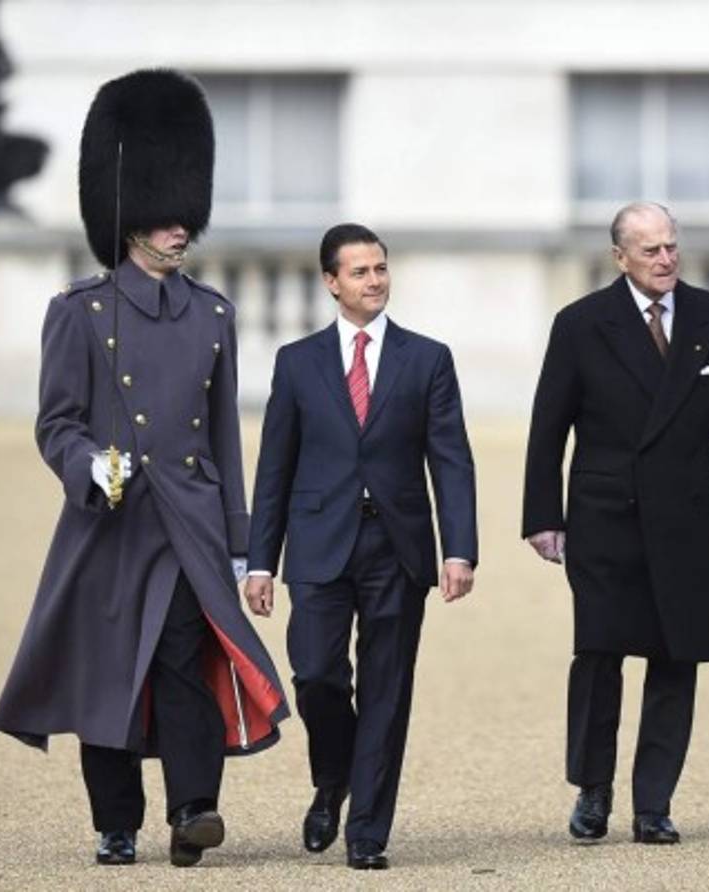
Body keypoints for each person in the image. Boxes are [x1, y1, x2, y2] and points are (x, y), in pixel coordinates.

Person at [0, 69, 290, 867]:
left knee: (188, 664)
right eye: (164, 220)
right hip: (113, 519)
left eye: (184, 217)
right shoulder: (79, 312)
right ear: (129, 223)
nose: (179, 232)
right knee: (110, 676)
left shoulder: (215, 315)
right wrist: (89, 464)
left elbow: (224, 438)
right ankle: (116, 822)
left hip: (189, 522)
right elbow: (56, 424)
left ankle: (195, 809)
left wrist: (240, 541)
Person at [522, 202, 709, 845]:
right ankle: (593, 788)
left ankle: (653, 802)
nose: (665, 259)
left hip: (685, 516)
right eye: (650, 250)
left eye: (670, 247)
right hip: (606, 516)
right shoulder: (581, 325)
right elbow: (548, 429)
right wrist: (542, 517)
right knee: (600, 655)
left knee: (675, 658)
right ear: (620, 258)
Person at [244, 223, 477, 871]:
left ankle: (368, 832)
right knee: (316, 674)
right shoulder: (297, 362)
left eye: (380, 269)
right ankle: (334, 777)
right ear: (331, 282)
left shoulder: (428, 358)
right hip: (318, 542)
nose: (374, 280)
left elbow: (451, 460)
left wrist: (459, 549)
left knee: (387, 688)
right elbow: (274, 468)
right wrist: (260, 559)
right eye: (360, 272)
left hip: (397, 546)